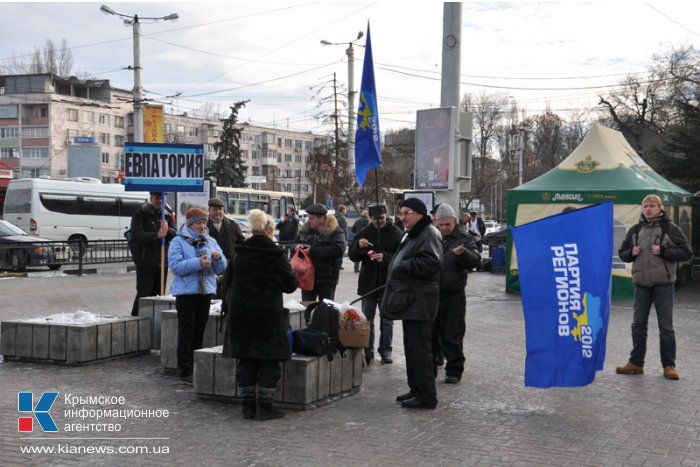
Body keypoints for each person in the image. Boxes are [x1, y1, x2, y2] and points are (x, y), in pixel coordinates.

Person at [222, 210, 298, 420]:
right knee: (268, 361)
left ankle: (247, 407)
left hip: (241, 315)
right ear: (269, 230)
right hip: (267, 316)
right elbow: (290, 285)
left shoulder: (239, 252)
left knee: (245, 360)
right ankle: (265, 408)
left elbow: (226, 281)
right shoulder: (275, 255)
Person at [615, 194, 692, 380]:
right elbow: (622, 253)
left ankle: (669, 366)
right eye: (645, 206)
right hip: (641, 285)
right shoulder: (635, 230)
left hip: (663, 285)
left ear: (660, 208)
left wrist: (665, 251)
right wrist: (630, 253)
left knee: (666, 327)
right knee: (638, 325)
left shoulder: (670, 229)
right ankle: (636, 363)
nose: (648, 209)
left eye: (651, 206)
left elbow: (686, 252)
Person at [381, 197, 442, 409]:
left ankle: (426, 396)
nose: (403, 217)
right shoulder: (414, 234)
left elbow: (431, 263)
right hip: (411, 300)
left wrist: (403, 265)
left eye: (407, 212)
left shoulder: (429, 233)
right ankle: (416, 389)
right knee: (411, 348)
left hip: (421, 301)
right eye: (401, 212)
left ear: (420, 214)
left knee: (421, 351)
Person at [168, 207, 227, 386]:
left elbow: (221, 268)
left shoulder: (210, 241)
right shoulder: (178, 242)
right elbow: (176, 267)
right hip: (186, 293)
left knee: (199, 331)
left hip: (205, 292)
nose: (203, 226)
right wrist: (198, 263)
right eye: (199, 223)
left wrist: (218, 259)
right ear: (190, 224)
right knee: (186, 332)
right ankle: (185, 371)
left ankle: (196, 366)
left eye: (204, 223)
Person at [348, 203, 403, 365]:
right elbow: (352, 256)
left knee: (387, 319)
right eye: (375, 219)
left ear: (386, 216)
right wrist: (358, 246)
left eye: (381, 218)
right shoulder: (364, 232)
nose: (378, 221)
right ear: (369, 218)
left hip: (388, 283)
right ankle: (368, 351)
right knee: (367, 319)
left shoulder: (396, 233)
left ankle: (386, 351)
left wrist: (385, 257)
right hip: (368, 283)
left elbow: (402, 256)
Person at [432, 203, 481, 384]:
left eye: (447, 225)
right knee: (431, 332)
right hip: (433, 293)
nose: (444, 228)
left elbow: (475, 261)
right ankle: (433, 363)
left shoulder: (464, 238)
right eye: (441, 225)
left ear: (454, 222)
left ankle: (454, 369)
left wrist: (463, 253)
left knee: (452, 333)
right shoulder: (432, 236)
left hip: (454, 295)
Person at [129, 192, 176, 316]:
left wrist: (168, 229)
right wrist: (157, 235)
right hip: (146, 262)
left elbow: (175, 233)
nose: (160, 201)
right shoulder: (141, 213)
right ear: (151, 198)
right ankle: (137, 319)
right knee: (144, 294)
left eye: (162, 198)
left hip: (162, 262)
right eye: (157, 198)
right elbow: (137, 235)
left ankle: (154, 320)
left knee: (159, 295)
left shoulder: (167, 214)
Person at [295, 203, 346, 302]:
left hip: (326, 279)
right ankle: (309, 318)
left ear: (322, 218)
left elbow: (338, 249)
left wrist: (312, 251)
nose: (309, 221)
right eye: (309, 217)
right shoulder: (306, 229)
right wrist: (296, 247)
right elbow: (294, 243)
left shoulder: (335, 231)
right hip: (307, 277)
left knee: (325, 310)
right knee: (307, 309)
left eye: (312, 218)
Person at [206, 198, 244, 262]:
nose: (218, 212)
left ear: (223, 211)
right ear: (209, 210)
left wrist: (236, 257)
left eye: (220, 209)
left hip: (229, 263)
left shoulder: (233, 225)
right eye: (215, 209)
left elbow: (241, 243)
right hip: (210, 263)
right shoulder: (204, 225)